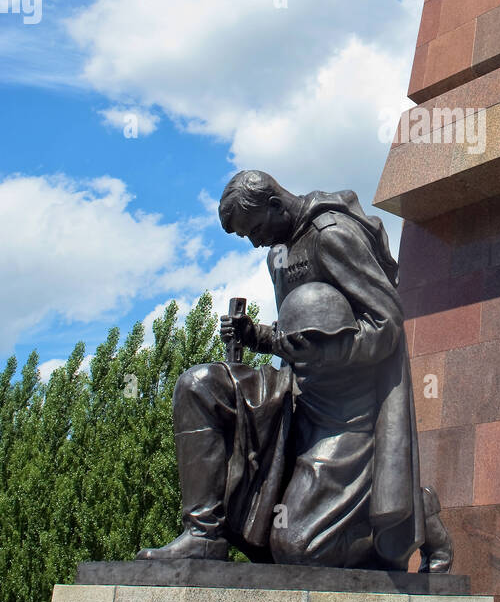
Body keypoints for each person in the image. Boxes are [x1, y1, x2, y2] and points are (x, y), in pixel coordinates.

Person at [137, 170, 451, 571]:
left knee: (296, 549)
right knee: (199, 386)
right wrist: (258, 336)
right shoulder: (278, 256)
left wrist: (324, 355)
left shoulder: (332, 235)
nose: (254, 242)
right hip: (295, 391)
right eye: (245, 237)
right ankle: (203, 535)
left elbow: (385, 326)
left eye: (254, 230)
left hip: (347, 413)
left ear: (274, 204)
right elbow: (296, 337)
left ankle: (411, 512)